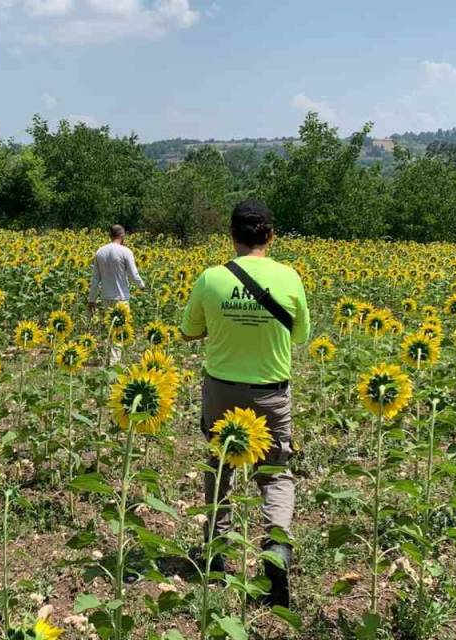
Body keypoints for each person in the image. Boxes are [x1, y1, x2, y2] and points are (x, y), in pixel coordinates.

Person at [179, 199, 310, 608]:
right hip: (271, 391)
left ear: (231, 235)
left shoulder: (211, 279)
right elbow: (300, 336)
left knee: (220, 466)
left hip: (222, 388)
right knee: (275, 472)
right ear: (270, 235)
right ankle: (277, 549)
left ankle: (217, 553)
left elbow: (188, 331)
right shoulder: (289, 277)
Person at [87, 224, 145, 365]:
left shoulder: (100, 252)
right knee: (119, 330)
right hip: (121, 298)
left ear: (110, 235)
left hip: (106, 297)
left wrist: (91, 299)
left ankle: (109, 360)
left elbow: (95, 279)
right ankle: (114, 364)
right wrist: (142, 285)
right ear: (122, 235)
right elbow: (133, 275)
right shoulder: (125, 251)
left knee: (110, 328)